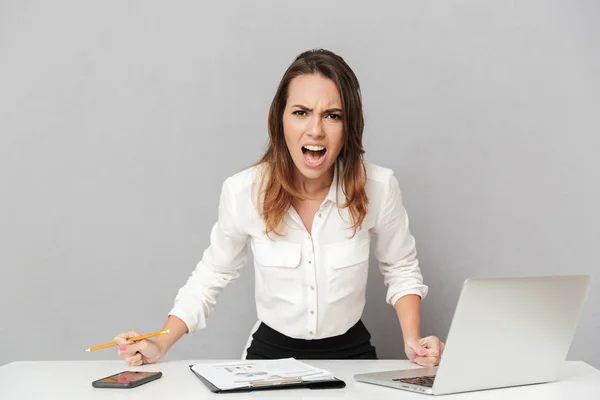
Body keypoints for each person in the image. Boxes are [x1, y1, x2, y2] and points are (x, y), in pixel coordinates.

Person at [114, 49, 444, 366]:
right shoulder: (243, 191)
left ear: (348, 127)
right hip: (270, 354)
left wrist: (413, 342)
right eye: (301, 112)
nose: (316, 130)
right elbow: (212, 274)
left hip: (351, 352)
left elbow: (401, 268)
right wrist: (160, 342)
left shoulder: (379, 187)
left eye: (332, 115)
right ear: (280, 120)